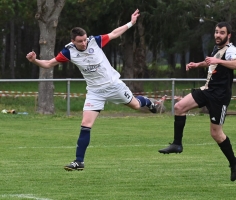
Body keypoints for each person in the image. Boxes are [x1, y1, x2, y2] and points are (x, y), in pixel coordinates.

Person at [26, 9, 157, 171]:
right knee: (85, 124)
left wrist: (131, 23)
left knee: (136, 106)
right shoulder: (69, 52)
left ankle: (149, 102)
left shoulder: (95, 41)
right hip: (95, 91)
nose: (84, 43)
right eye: (80, 41)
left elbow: (114, 33)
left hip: (113, 85)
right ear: (73, 41)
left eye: (84, 39)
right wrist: (34, 61)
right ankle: (79, 162)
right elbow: (48, 64)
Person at [158, 22, 236, 181]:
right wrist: (197, 64)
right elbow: (211, 61)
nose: (218, 35)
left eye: (222, 33)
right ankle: (177, 144)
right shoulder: (217, 49)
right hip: (208, 90)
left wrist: (219, 62)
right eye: (216, 32)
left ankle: (234, 161)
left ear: (228, 35)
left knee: (216, 134)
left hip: (220, 96)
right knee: (179, 107)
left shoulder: (231, 50)